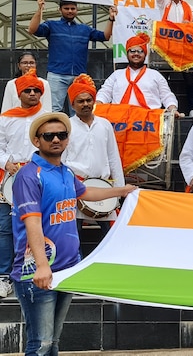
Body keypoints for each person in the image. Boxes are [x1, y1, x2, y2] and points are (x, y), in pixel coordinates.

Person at [11, 112, 135, 356]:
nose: (56, 139)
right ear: (37, 141)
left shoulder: (65, 172)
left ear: (68, 140)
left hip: (67, 269)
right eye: (49, 136)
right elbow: (32, 224)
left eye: (62, 135)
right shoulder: (28, 176)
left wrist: (123, 191)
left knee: (53, 343)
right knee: (40, 344)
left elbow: (86, 193)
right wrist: (42, 266)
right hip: (38, 273)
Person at [0, 69, 46, 298]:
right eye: (27, 90)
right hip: (9, 178)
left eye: (35, 90)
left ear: (40, 93)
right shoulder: (6, 118)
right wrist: (6, 163)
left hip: (40, 177)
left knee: (41, 223)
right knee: (5, 229)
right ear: (19, 94)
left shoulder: (48, 118)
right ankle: (4, 276)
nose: (31, 93)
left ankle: (42, 268)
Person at [62, 74, 124, 245]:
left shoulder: (104, 125)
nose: (86, 104)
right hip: (76, 188)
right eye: (80, 101)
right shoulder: (66, 125)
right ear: (73, 104)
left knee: (110, 237)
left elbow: (113, 158)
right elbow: (62, 160)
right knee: (73, 237)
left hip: (103, 188)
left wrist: (119, 190)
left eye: (89, 100)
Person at [27, 0, 117, 113]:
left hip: (78, 77)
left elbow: (105, 36)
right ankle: (55, 131)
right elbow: (32, 29)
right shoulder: (52, 25)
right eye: (66, 8)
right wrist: (39, 9)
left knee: (79, 110)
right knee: (54, 109)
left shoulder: (84, 29)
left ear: (77, 10)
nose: (70, 11)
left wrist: (111, 18)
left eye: (73, 8)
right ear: (60, 10)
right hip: (57, 75)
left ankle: (76, 132)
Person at [152, 0, 193, 117]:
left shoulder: (189, 7)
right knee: (163, 79)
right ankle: (162, 107)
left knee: (189, 79)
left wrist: (190, 25)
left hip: (184, 48)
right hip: (166, 47)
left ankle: (192, 108)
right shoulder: (164, 4)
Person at [95, 33, 179, 113]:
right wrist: (98, 104)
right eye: (132, 51)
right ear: (127, 54)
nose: (136, 54)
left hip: (148, 120)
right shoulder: (116, 75)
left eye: (140, 51)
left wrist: (172, 108)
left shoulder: (155, 75)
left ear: (145, 54)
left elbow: (166, 95)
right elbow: (105, 92)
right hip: (120, 120)